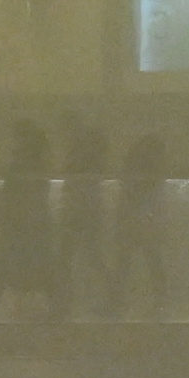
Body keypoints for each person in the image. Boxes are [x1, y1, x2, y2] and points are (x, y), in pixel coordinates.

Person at [0, 118, 57, 319]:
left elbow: (13, 191)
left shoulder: (24, 163)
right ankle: (56, 308)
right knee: (30, 263)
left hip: (20, 222)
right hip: (27, 221)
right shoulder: (36, 162)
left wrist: (3, 211)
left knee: (6, 262)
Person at [57, 113, 113, 315]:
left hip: (79, 212)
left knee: (69, 258)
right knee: (90, 257)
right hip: (87, 212)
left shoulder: (79, 154)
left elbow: (77, 186)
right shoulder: (89, 153)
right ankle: (111, 298)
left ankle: (63, 303)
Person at [114, 129, 172, 315]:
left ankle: (119, 298)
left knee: (133, 259)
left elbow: (130, 189)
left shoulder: (137, 166)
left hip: (139, 219)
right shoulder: (150, 168)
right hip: (142, 219)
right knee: (143, 259)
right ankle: (158, 298)